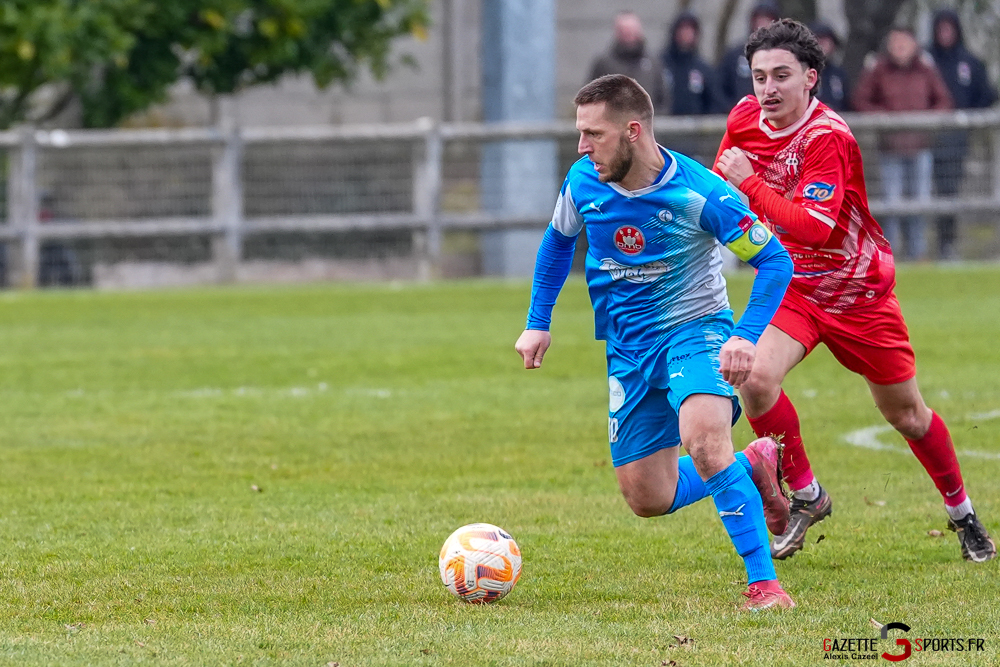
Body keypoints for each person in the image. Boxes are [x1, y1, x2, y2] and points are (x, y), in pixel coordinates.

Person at [714, 19, 995, 563]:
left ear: (811, 78)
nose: (767, 89)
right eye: (758, 76)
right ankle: (808, 494)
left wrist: (748, 183)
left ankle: (962, 512)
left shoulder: (829, 137)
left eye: (781, 76)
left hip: (858, 293)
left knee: (907, 416)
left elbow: (815, 227)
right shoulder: (745, 118)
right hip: (793, 284)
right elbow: (718, 181)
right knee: (754, 375)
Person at [515, 74, 797, 610]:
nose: (581, 147)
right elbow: (557, 243)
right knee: (648, 497)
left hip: (697, 332)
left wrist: (743, 337)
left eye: (593, 134)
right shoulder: (583, 181)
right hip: (628, 350)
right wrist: (538, 319)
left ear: (633, 131)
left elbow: (774, 260)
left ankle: (764, 585)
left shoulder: (700, 193)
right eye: (580, 133)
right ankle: (754, 465)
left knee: (706, 440)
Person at [851, 27, 953, 260]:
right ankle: (890, 252)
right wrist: (883, 118)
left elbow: (944, 100)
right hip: (890, 148)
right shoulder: (878, 69)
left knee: (921, 202)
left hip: (921, 146)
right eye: (896, 44)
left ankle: (918, 253)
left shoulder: (926, 69)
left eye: (904, 43)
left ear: (914, 45)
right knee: (891, 203)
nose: (900, 49)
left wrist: (928, 120)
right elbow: (860, 99)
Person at [928, 9, 998, 259]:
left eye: (950, 28)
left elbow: (987, 94)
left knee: (949, 190)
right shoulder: (926, 60)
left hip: (956, 138)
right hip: (924, 136)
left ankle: (948, 244)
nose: (945, 33)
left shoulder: (968, 61)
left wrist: (968, 118)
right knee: (921, 191)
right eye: (941, 28)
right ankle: (912, 247)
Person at [589, 12, 670, 113]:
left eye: (631, 30)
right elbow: (591, 98)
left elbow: (663, 98)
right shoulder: (604, 63)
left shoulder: (653, 63)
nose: (628, 33)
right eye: (623, 30)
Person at [717, 2, 781, 113]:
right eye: (759, 19)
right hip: (741, 116)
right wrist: (733, 110)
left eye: (767, 19)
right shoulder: (735, 55)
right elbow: (720, 88)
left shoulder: (784, 55)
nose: (762, 24)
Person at [661, 12, 719, 116]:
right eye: (683, 29)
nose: (686, 34)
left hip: (695, 129)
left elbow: (714, 102)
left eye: (691, 30)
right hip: (665, 127)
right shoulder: (661, 65)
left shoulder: (703, 69)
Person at [810, 23, 850, 112]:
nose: (822, 45)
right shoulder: (802, 74)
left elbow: (847, 104)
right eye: (818, 40)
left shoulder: (839, 74)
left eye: (826, 41)